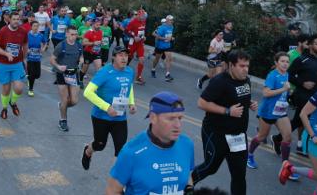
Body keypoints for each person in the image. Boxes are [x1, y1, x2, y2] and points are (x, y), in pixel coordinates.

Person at [192, 50, 258, 195]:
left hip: (238, 136)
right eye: (241, 66)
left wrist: (249, 103)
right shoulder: (219, 81)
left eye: (247, 66)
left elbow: (238, 98)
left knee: (239, 175)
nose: (245, 69)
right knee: (210, 167)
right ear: (231, 66)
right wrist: (228, 111)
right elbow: (202, 103)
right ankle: (184, 185)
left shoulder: (246, 80)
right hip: (216, 133)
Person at [104, 91, 194, 195]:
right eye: (171, 119)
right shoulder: (131, 152)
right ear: (153, 118)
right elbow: (112, 191)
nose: (178, 125)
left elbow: (188, 174)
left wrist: (189, 189)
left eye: (180, 118)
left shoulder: (186, 145)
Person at [272, 34, 317, 156]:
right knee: (301, 120)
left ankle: (279, 138)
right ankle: (301, 146)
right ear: (311, 45)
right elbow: (289, 75)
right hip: (303, 95)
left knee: (300, 121)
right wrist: (302, 83)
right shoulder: (302, 59)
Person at [82, 46, 135, 170]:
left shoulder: (129, 71)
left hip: (120, 118)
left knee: (121, 151)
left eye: (126, 55)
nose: (124, 58)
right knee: (100, 145)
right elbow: (88, 92)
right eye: (120, 55)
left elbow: (129, 87)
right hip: (101, 117)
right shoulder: (104, 72)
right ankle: (88, 151)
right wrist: (107, 107)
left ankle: (116, 185)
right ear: (113, 57)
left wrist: (131, 103)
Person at [246, 52, 299, 179]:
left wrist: (287, 94)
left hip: (280, 111)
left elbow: (284, 91)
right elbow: (266, 93)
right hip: (268, 111)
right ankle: (249, 155)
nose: (285, 64)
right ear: (276, 63)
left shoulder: (286, 74)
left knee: (287, 138)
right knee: (261, 136)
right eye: (282, 61)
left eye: (287, 61)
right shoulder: (272, 75)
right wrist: (283, 90)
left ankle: (285, 167)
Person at [0, 11, 28, 120]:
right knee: (6, 89)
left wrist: (24, 57)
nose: (16, 21)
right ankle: (4, 108)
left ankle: (13, 103)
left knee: (19, 88)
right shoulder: (3, 31)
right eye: (14, 19)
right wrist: (6, 53)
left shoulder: (23, 31)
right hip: (3, 64)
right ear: (9, 20)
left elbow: (25, 44)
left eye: (18, 19)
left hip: (17, 63)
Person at [50, 25, 83, 131]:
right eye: (72, 34)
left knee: (74, 101)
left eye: (76, 34)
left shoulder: (78, 45)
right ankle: (63, 120)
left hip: (73, 74)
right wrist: (58, 66)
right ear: (67, 34)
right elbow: (52, 59)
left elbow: (81, 56)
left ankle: (62, 106)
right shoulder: (61, 46)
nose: (74, 36)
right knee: (65, 99)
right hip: (62, 74)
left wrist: (81, 60)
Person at [125, 10, 147, 84]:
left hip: (140, 43)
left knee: (142, 59)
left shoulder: (144, 22)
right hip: (132, 42)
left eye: (143, 16)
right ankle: (122, 69)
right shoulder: (133, 22)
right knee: (129, 57)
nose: (143, 18)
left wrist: (143, 37)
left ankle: (138, 77)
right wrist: (134, 36)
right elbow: (126, 31)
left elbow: (142, 31)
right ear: (138, 15)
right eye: (141, 16)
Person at [26, 20, 46, 97]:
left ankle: (28, 76)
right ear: (31, 27)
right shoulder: (27, 35)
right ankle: (31, 89)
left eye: (37, 26)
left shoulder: (40, 35)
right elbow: (22, 43)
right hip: (30, 57)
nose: (36, 27)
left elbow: (45, 42)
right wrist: (26, 49)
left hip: (37, 57)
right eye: (34, 26)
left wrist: (43, 48)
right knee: (32, 74)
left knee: (37, 75)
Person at [152, 16, 175, 82]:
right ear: (167, 21)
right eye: (171, 20)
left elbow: (169, 35)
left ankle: (167, 74)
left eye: (172, 20)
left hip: (167, 46)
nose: (172, 21)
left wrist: (171, 38)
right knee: (157, 59)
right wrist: (165, 39)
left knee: (169, 58)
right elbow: (157, 36)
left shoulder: (171, 27)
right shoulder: (161, 28)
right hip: (160, 46)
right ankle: (153, 69)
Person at [80, 17, 104, 83]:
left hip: (97, 53)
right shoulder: (88, 32)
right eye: (97, 24)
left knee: (99, 69)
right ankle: (80, 80)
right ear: (93, 24)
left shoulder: (101, 32)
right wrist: (93, 43)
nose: (99, 26)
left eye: (99, 24)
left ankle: (97, 85)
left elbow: (100, 41)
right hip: (88, 52)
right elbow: (84, 43)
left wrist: (101, 43)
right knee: (84, 69)